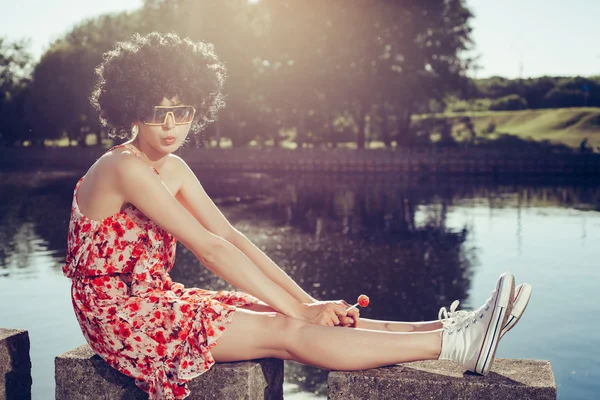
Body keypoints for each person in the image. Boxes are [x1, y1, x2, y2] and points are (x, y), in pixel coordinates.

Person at [62, 32, 532, 399]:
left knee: (291, 311)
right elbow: (208, 248)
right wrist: (299, 312)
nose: (170, 125)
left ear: (196, 110)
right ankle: (454, 347)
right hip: (119, 317)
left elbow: (231, 236)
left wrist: (312, 302)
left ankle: (449, 327)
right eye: (155, 111)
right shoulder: (123, 166)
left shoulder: (175, 168)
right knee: (284, 327)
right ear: (131, 108)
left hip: (157, 299)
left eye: (181, 111)